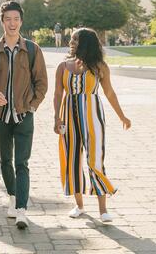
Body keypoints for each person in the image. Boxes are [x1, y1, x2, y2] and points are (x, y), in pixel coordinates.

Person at [0, 0, 48, 229]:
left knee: (22, 163)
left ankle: (21, 210)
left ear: (21, 21)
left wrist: (32, 106)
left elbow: (42, 83)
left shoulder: (32, 50)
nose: (12, 23)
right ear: (2, 21)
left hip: (24, 114)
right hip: (1, 115)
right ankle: (12, 197)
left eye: (16, 19)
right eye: (8, 19)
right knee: (5, 160)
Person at [53, 28, 131, 223]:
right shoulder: (63, 66)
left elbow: (110, 93)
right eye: (71, 38)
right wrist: (56, 118)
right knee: (72, 159)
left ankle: (103, 210)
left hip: (93, 118)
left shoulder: (99, 67)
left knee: (95, 160)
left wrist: (122, 116)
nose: (71, 41)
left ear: (86, 43)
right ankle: (79, 205)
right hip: (68, 118)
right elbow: (57, 94)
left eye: (75, 39)